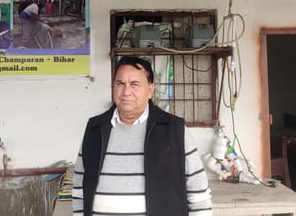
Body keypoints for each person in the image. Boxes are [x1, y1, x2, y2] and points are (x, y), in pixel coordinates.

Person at [72, 56, 212, 216]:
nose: (126, 91)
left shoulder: (174, 130)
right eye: (120, 84)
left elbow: (199, 195)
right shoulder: (95, 128)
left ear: (150, 90)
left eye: (134, 84)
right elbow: (79, 188)